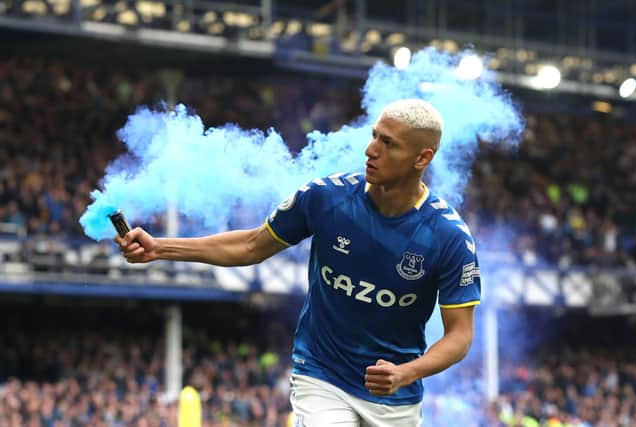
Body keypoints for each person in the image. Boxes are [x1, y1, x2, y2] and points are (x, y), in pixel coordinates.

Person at [116, 99, 481, 427]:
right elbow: (250, 245)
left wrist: (406, 373)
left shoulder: (448, 237)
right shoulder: (325, 198)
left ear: (422, 158)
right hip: (322, 374)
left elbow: (460, 335)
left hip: (394, 397)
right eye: (374, 136)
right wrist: (159, 247)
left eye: (389, 144)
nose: (371, 150)